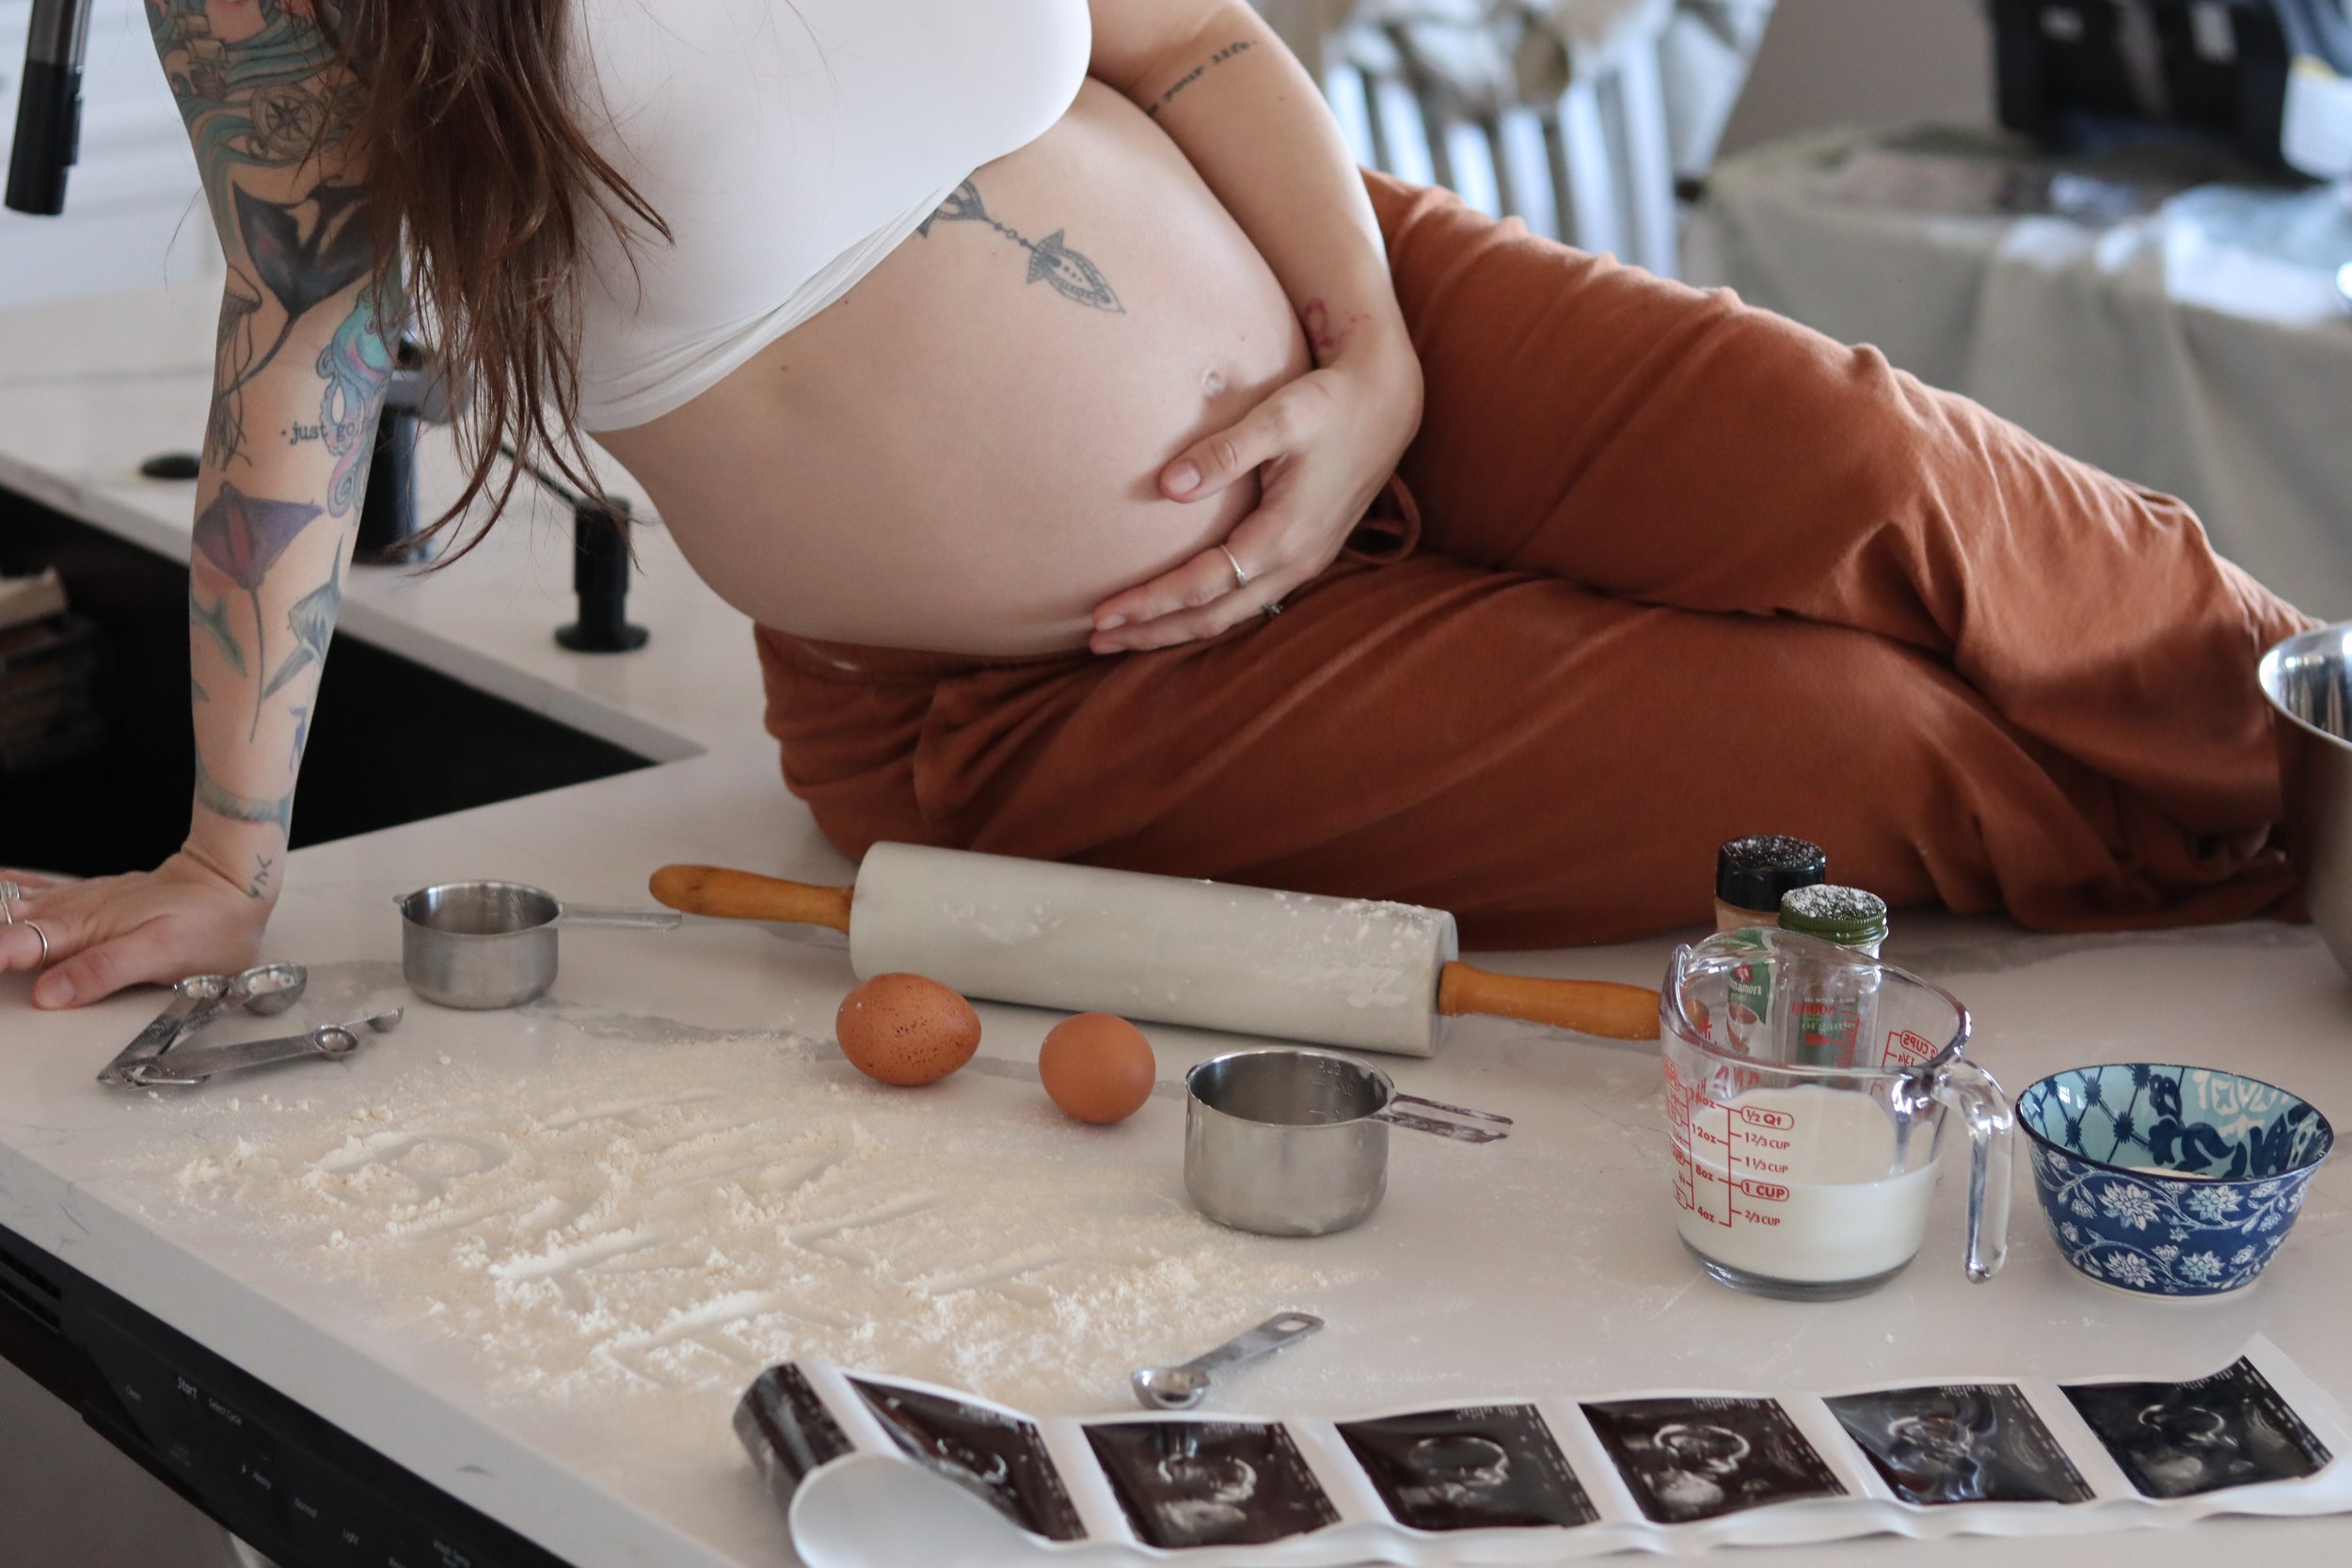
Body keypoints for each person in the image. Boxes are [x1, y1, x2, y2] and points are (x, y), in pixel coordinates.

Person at [0, 0, 2312, 1008]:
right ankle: (2281, 888)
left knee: (1876, 470)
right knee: (1851, 766)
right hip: (1034, 687)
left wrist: (1373, 356)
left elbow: (1173, 30)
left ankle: (2324, 772)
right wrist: (228, 858)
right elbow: (298, 340)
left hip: (1366, 313)